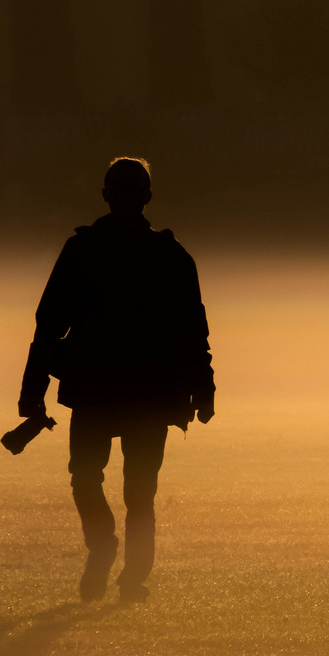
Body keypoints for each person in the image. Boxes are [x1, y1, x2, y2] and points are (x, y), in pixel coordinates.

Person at [17, 157, 215, 602]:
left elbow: (48, 327)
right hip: (144, 392)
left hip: (98, 389)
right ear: (144, 196)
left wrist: (33, 394)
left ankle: (109, 555)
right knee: (137, 492)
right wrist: (203, 390)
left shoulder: (85, 251)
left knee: (90, 479)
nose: (125, 198)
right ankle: (130, 578)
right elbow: (193, 333)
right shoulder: (169, 255)